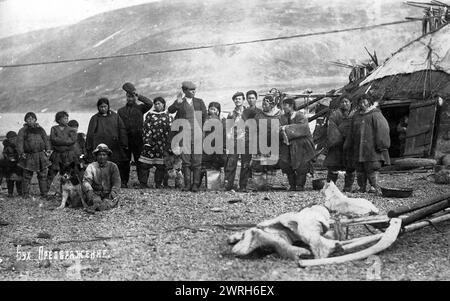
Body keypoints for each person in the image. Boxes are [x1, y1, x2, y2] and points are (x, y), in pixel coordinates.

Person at [344, 95, 390, 194]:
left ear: (370, 102)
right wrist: (348, 144)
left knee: (372, 167)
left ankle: (374, 187)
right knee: (360, 168)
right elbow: (351, 131)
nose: (362, 104)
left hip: (371, 147)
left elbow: (383, 129)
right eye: (360, 102)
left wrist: (382, 144)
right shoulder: (356, 115)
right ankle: (362, 187)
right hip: (358, 147)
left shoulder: (376, 114)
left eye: (365, 102)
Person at [168, 81, 207, 192]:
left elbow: (205, 117)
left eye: (194, 90)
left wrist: (203, 132)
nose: (194, 91)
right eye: (191, 90)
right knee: (186, 162)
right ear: (185, 91)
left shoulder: (199, 102)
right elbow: (170, 111)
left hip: (198, 136)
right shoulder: (180, 102)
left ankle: (195, 185)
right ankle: (187, 185)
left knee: (197, 161)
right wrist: (177, 103)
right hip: (184, 136)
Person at [86, 97, 129, 187]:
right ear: (98, 107)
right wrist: (89, 146)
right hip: (100, 145)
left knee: (116, 163)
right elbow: (90, 133)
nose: (103, 108)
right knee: (101, 164)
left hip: (114, 145)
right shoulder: (95, 118)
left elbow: (121, 129)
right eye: (101, 107)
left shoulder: (115, 116)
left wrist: (124, 143)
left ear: (108, 106)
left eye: (105, 106)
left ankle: (119, 183)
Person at [118, 82, 153, 188]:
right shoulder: (120, 111)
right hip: (126, 139)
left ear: (135, 97)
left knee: (140, 161)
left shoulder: (141, 108)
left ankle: (143, 182)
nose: (130, 99)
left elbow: (150, 103)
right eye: (128, 97)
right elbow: (119, 126)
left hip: (138, 138)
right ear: (126, 97)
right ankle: (123, 182)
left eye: (132, 97)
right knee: (124, 161)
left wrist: (138, 95)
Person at [279, 98, 316, 191]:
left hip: (301, 144)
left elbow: (303, 128)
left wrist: (286, 128)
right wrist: (281, 130)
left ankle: (300, 185)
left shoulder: (300, 116)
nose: (283, 108)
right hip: (287, 144)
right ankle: (292, 185)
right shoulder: (282, 117)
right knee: (287, 164)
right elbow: (278, 128)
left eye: (285, 105)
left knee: (302, 165)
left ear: (291, 106)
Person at [138, 97, 172, 188]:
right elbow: (146, 128)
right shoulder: (149, 115)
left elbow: (170, 130)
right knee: (145, 165)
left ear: (163, 104)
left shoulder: (167, 116)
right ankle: (143, 183)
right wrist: (147, 141)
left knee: (160, 166)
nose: (157, 105)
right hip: (150, 144)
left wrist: (169, 143)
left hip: (162, 144)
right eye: (156, 104)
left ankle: (158, 183)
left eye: (159, 103)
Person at [323, 98, 356, 192]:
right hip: (337, 145)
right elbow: (332, 129)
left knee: (350, 167)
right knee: (333, 166)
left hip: (350, 145)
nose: (344, 104)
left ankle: (348, 187)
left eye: (347, 101)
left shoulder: (354, 114)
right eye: (342, 102)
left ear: (350, 102)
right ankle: (330, 187)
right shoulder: (334, 115)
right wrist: (341, 135)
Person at [16, 112, 52, 198]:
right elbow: (19, 142)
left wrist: (48, 150)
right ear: (25, 120)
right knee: (27, 175)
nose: (30, 120)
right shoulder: (22, 131)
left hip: (41, 155)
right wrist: (21, 153)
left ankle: (44, 193)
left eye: (32, 119)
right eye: (28, 119)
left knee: (43, 175)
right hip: (29, 156)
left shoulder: (41, 129)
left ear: (35, 120)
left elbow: (46, 140)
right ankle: (25, 194)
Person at [252, 95, 282, 190]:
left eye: (266, 104)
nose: (264, 106)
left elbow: (282, 128)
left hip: (274, 143)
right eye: (263, 104)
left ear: (272, 105)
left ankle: (269, 184)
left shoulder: (279, 115)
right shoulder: (259, 115)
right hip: (261, 143)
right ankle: (259, 185)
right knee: (258, 164)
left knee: (271, 164)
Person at [224, 92, 252, 192]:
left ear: (243, 100)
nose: (237, 101)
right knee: (231, 163)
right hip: (234, 141)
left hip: (246, 140)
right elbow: (228, 129)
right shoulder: (231, 114)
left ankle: (243, 186)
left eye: (239, 99)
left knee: (245, 164)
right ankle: (229, 185)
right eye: (235, 99)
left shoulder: (249, 112)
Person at [82, 143, 121, 212]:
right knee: (94, 200)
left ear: (107, 156)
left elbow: (116, 182)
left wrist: (113, 193)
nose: (102, 157)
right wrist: (90, 192)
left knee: (109, 202)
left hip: (109, 194)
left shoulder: (113, 166)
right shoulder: (91, 166)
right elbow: (86, 182)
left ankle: (99, 206)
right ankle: (96, 205)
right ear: (96, 156)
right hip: (95, 193)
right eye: (99, 154)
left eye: (104, 155)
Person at [47, 111, 79, 191]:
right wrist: (65, 141)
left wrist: (59, 141)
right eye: (64, 118)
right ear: (59, 120)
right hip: (56, 155)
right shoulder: (54, 128)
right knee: (52, 172)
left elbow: (73, 140)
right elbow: (53, 139)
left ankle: (67, 190)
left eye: (67, 118)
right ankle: (46, 191)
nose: (66, 120)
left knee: (68, 172)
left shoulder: (71, 129)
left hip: (68, 155)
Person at [2, 131, 23, 197]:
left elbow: (21, 152)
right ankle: (10, 193)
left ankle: (20, 192)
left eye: (14, 138)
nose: (13, 140)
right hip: (9, 165)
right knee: (10, 180)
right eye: (10, 138)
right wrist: (9, 158)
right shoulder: (7, 146)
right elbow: (4, 154)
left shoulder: (19, 144)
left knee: (19, 180)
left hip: (18, 164)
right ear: (8, 139)